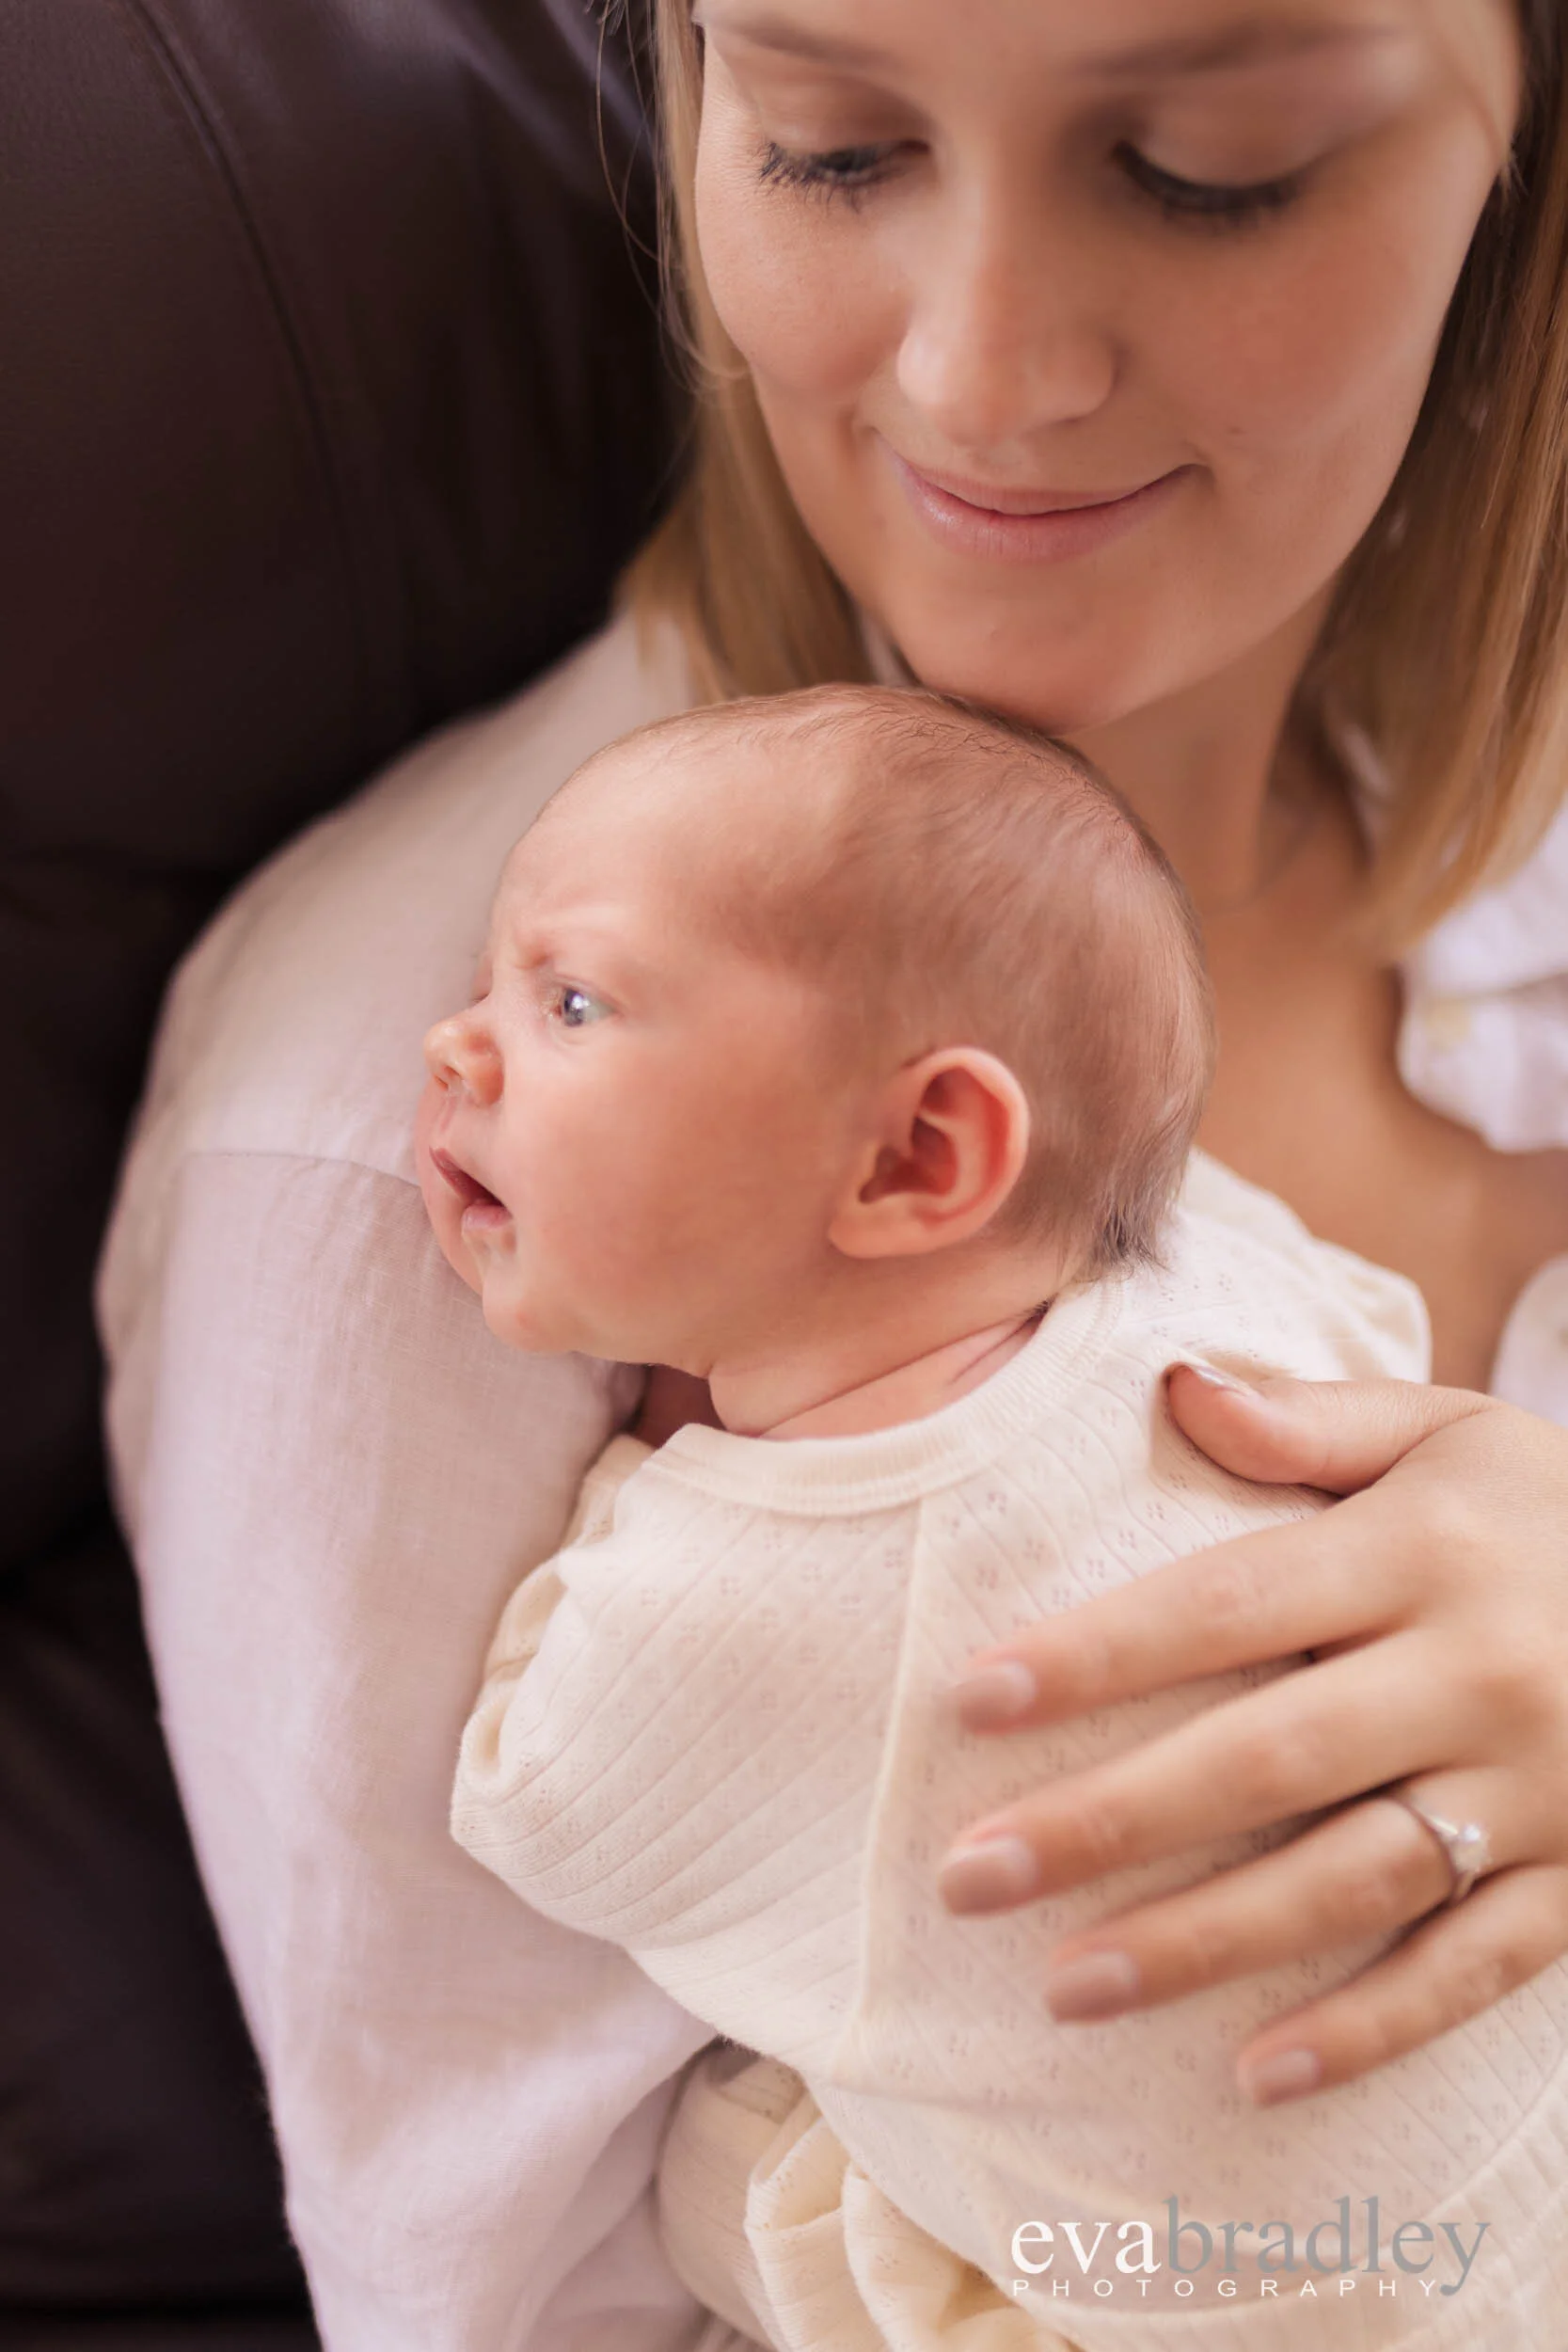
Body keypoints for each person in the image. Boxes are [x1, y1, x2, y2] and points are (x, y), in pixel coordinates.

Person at [98, 1, 1568, 2345]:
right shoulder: (430, 1167)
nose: (983, 377)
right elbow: (496, 2296)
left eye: (1207, 167)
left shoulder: (1513, 801)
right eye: (828, 147)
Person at [431, 688, 1559, 2350]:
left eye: (574, 1002)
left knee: (728, 2176)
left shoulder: (729, 1599)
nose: (459, 1047)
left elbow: (532, 1804)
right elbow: (1378, 1331)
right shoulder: (1217, 1280)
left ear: (917, 1154)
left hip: (1202, 2309)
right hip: (1524, 2164)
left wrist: (645, 1477)